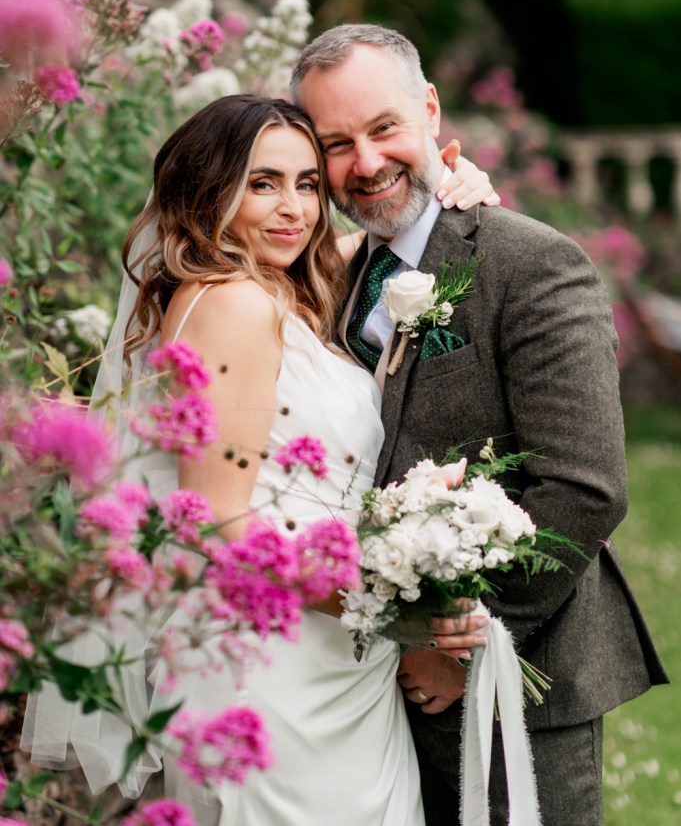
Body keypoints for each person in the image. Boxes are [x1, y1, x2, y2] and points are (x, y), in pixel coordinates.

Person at [22, 92, 495, 825]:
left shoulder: (261, 291)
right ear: (211, 192)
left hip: (325, 653)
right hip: (278, 664)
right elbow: (216, 523)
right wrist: (394, 609)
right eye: (262, 183)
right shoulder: (235, 304)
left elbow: (383, 238)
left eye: (308, 183)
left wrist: (452, 186)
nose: (294, 209)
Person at [290, 25, 669, 826]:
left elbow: (583, 485)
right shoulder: (345, 274)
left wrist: (466, 642)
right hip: (378, 685)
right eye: (336, 142)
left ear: (428, 110)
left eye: (384, 127)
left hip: (517, 677)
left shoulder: (530, 263)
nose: (364, 162)